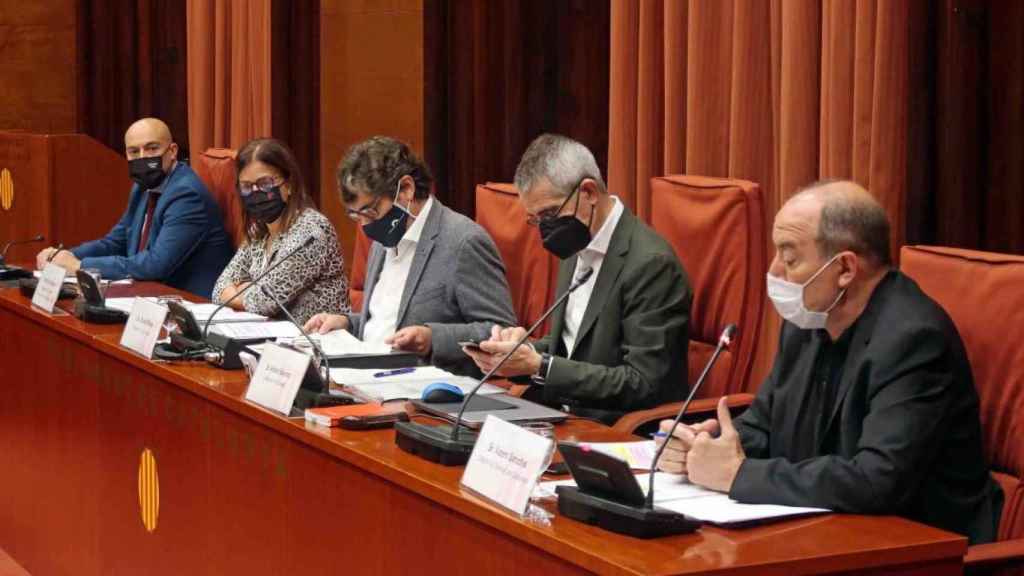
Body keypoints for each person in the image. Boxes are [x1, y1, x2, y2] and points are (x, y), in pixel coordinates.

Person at [656, 180, 1002, 544]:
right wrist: (706, 446)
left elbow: (877, 479)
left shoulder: (913, 340)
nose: (774, 272)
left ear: (846, 269)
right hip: (822, 533)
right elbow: (764, 425)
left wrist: (739, 475)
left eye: (790, 259)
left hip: (914, 548)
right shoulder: (809, 322)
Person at [463, 134, 692, 425]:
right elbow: (572, 348)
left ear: (589, 192)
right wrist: (524, 351)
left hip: (615, 430)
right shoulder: (576, 244)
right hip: (558, 417)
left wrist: (541, 366)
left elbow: (643, 383)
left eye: (549, 213)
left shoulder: (651, 265)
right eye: (535, 219)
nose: (544, 229)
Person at [304, 136, 515, 375]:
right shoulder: (383, 240)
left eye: (370, 212)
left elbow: (502, 332)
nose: (364, 225)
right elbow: (385, 322)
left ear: (406, 189)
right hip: (365, 380)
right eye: (356, 216)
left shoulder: (463, 241)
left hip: (427, 394)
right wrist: (347, 323)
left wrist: (432, 338)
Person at [35, 118, 233, 298]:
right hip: (149, 294)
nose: (143, 158)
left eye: (152, 149)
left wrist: (79, 266)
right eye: (134, 152)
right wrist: (65, 256)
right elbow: (115, 241)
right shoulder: (142, 188)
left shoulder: (186, 194)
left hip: (189, 303)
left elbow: (155, 265)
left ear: (172, 151)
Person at [211, 138, 349, 326]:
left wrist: (241, 290)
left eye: (265, 183)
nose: (256, 192)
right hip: (272, 341)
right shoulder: (259, 232)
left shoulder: (311, 232)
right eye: (246, 186)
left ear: (289, 184)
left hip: (316, 342)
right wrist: (250, 291)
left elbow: (264, 301)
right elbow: (219, 288)